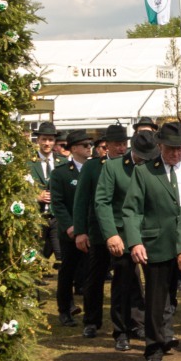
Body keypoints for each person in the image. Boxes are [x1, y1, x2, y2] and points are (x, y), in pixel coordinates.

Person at [125, 121, 181, 361]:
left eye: (180, 149)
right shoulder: (145, 172)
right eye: (170, 149)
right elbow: (132, 210)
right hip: (157, 245)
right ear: (159, 147)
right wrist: (135, 241)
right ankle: (155, 349)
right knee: (157, 301)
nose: (175, 153)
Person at [91, 126, 148, 351]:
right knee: (123, 282)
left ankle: (142, 324)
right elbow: (102, 202)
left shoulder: (154, 165)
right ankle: (121, 330)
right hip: (122, 235)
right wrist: (111, 234)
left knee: (153, 284)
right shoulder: (113, 167)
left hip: (151, 233)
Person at [73, 124, 128, 338]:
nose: (121, 148)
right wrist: (80, 231)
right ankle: (91, 320)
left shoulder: (131, 165)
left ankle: (129, 323)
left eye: (124, 144)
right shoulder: (93, 167)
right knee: (95, 278)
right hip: (98, 232)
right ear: (107, 146)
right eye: (117, 144)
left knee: (126, 280)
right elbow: (81, 200)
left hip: (124, 232)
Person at [50, 130, 91, 327]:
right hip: (70, 233)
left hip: (92, 231)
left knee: (91, 273)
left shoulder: (96, 169)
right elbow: (57, 204)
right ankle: (65, 310)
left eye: (90, 145)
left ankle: (91, 313)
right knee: (68, 271)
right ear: (74, 148)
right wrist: (69, 226)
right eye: (85, 145)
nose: (89, 148)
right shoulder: (61, 173)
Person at [29, 122, 61, 258]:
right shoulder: (28, 163)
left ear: (54, 141)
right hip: (36, 216)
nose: (47, 143)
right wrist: (36, 197)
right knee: (35, 255)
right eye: (44, 139)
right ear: (38, 140)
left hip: (57, 218)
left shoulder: (63, 163)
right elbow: (20, 191)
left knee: (62, 255)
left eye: (50, 140)